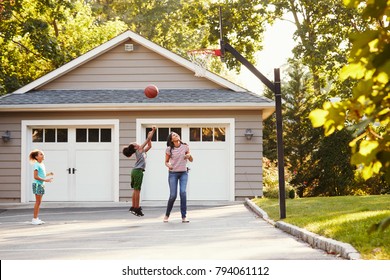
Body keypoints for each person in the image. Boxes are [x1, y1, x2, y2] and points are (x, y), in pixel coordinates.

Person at [123, 126, 156, 217]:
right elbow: (148, 139)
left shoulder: (142, 151)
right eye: (135, 143)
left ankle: (134, 207)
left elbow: (149, 145)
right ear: (135, 147)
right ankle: (136, 208)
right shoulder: (139, 149)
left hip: (135, 171)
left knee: (136, 189)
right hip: (138, 172)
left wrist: (149, 136)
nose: (137, 143)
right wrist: (153, 131)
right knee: (137, 190)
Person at [164, 132, 193, 223]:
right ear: (171, 140)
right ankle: (167, 214)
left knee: (183, 192)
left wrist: (189, 156)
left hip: (184, 173)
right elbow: (166, 161)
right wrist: (169, 165)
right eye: (174, 135)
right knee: (173, 195)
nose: (176, 135)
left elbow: (191, 159)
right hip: (173, 174)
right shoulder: (169, 149)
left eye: (176, 134)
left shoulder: (185, 146)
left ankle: (184, 216)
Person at [29, 149, 53, 225]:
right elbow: (35, 176)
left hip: (41, 185)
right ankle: (34, 219)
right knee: (38, 202)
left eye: (43, 154)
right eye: (41, 154)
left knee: (39, 202)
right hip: (37, 185)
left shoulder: (42, 164)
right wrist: (45, 180)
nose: (43, 155)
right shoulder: (36, 164)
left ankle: (36, 218)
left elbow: (42, 175)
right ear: (36, 157)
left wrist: (49, 174)